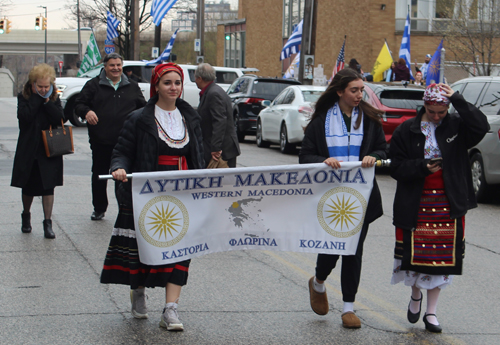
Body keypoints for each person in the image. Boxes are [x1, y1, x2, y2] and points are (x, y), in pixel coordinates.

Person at [100, 63, 204, 332]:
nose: (173, 88)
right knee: (144, 249)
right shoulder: (139, 118)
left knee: (182, 249)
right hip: (148, 193)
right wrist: (118, 168)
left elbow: (198, 156)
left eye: (177, 83)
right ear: (156, 86)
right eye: (167, 83)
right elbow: (121, 151)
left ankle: (171, 309)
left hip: (182, 193)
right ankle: (139, 290)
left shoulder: (191, 118)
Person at [389, 83, 489, 333]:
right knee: (414, 257)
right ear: (424, 106)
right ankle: (415, 295)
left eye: (441, 112)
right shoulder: (406, 130)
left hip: (448, 201)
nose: (436, 117)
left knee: (441, 260)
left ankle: (431, 313)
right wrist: (422, 167)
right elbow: (396, 167)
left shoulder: (456, 125)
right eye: (432, 111)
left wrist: (457, 98)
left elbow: (481, 126)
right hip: (416, 202)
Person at [300, 68, 387, 329]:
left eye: (362, 89)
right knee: (331, 248)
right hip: (330, 198)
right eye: (354, 90)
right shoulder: (321, 122)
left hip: (361, 198)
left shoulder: (370, 120)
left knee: (353, 251)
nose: (360, 94)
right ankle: (318, 281)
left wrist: (375, 156)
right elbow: (305, 156)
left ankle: (349, 307)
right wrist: (322, 160)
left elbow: (383, 149)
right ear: (340, 92)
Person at [75, 53, 146, 221]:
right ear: (105, 67)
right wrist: (87, 111)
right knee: (100, 175)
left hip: (125, 141)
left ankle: (124, 208)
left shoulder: (132, 87)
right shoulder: (93, 85)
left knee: (122, 176)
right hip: (101, 140)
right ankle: (99, 208)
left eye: (118, 65)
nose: (116, 68)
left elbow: (143, 108)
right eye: (112, 65)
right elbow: (79, 104)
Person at [11, 63, 64, 239]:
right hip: (29, 148)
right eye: (40, 86)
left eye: (46, 86)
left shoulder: (54, 97)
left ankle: (47, 223)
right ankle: (26, 215)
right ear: (33, 84)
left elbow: (60, 118)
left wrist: (48, 102)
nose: (43, 90)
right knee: (28, 186)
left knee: (48, 186)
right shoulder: (24, 97)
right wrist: (36, 99)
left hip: (49, 148)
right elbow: (24, 118)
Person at [195, 63, 240, 168]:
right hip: (218, 147)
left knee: (223, 182)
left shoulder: (213, 93)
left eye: (196, 78)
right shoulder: (212, 91)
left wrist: (216, 148)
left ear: (200, 78)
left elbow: (219, 121)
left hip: (222, 150)